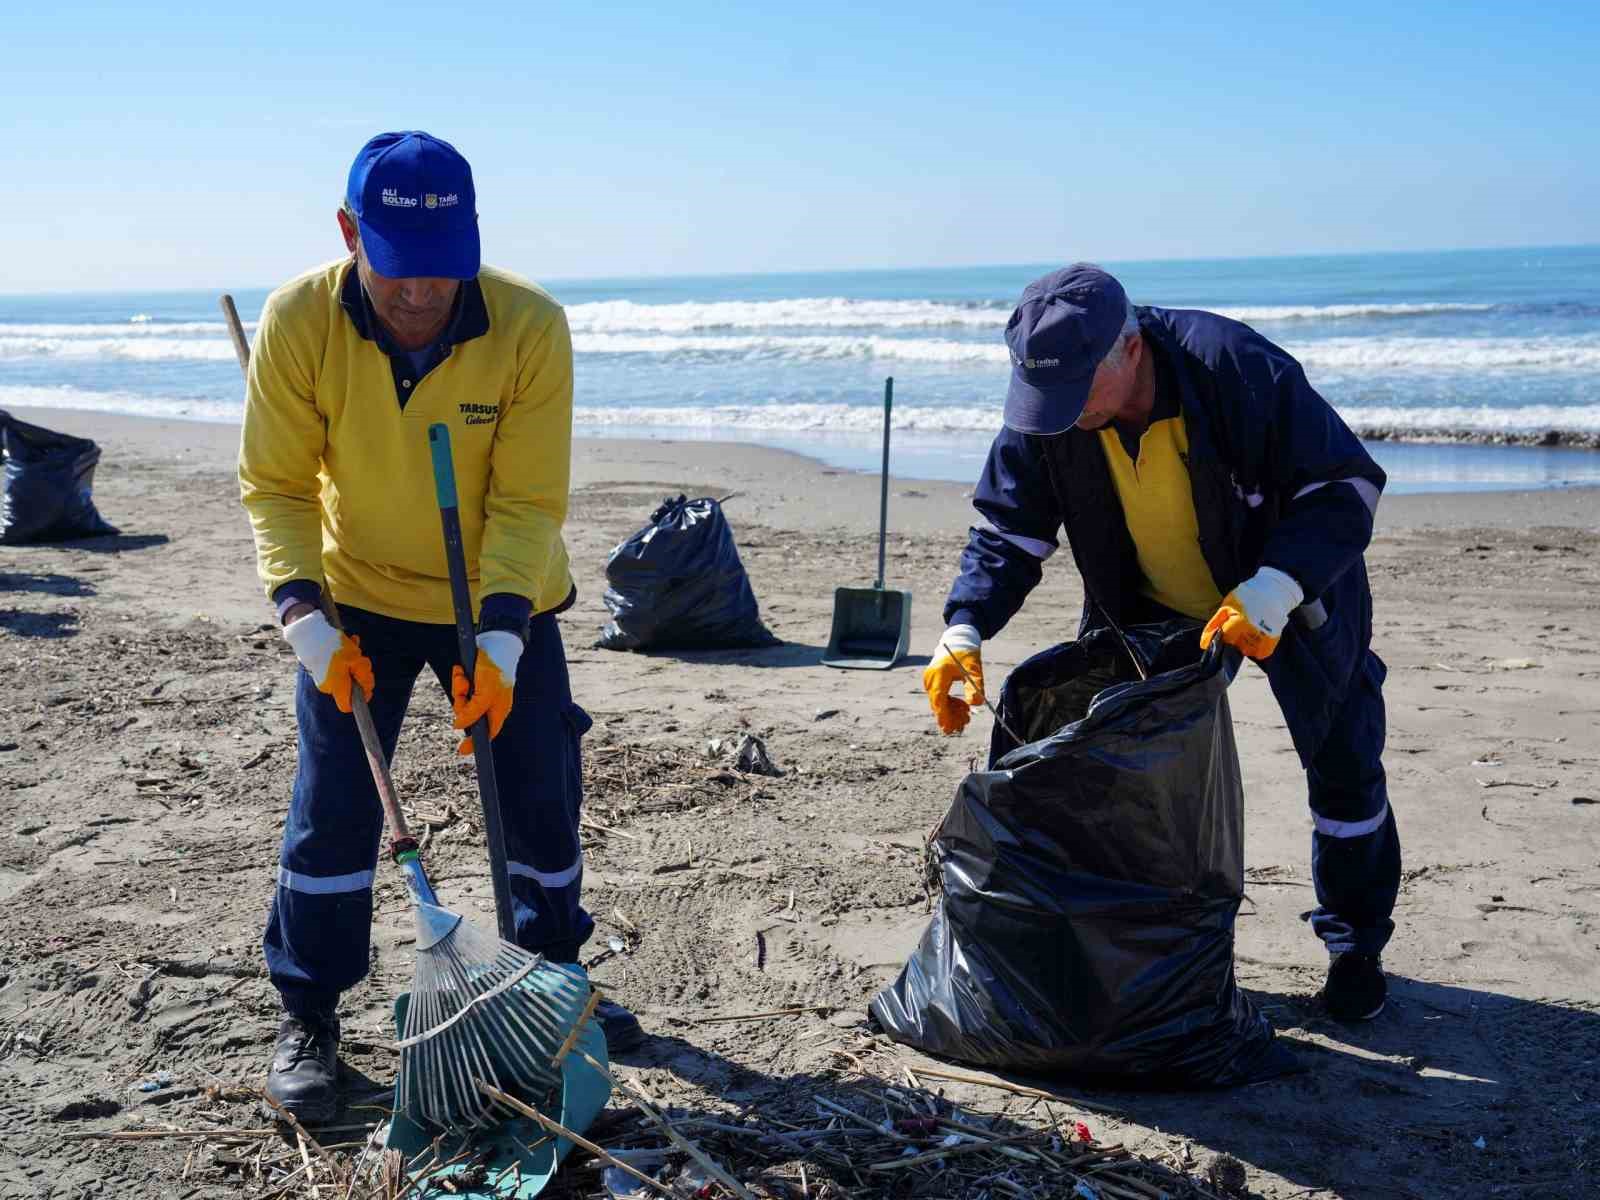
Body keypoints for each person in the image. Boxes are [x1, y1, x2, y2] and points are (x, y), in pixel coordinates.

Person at [239, 130, 642, 1123]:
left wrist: (501, 641)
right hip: (355, 604)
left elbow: (526, 502)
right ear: (348, 234)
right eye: (398, 271)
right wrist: (303, 619)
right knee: (335, 807)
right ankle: (311, 1016)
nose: (421, 295)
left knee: (535, 799)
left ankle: (549, 984)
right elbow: (277, 487)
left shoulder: (531, 326)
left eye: (443, 272)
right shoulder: (299, 320)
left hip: (498, 598)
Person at [922, 264, 1400, 1022]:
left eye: (1077, 391)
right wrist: (964, 627)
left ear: (1131, 349)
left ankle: (1356, 948)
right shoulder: (1051, 412)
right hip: (1146, 607)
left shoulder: (1236, 369)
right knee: (1115, 772)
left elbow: (1344, 487)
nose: (1059, 412)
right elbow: (1008, 532)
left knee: (1343, 767)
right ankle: (1130, 945)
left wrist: (1277, 586)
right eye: (1043, 397)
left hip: (1290, 596)